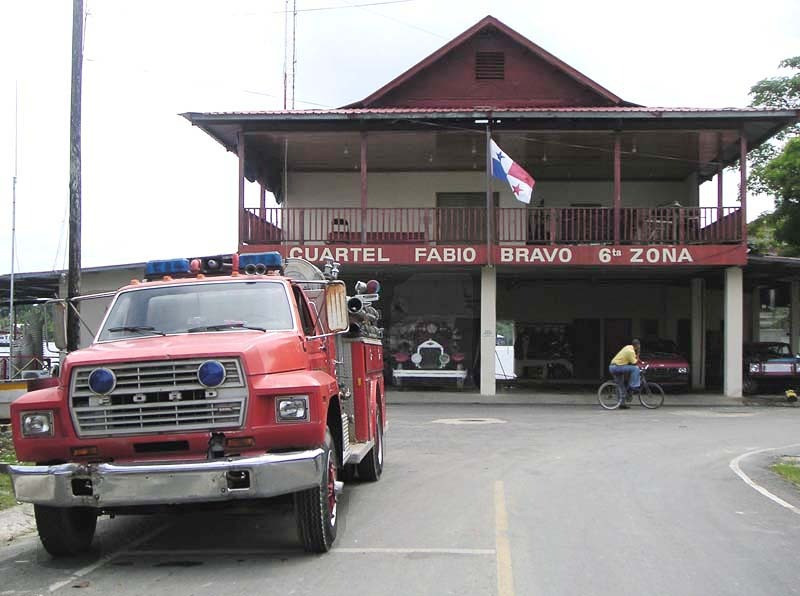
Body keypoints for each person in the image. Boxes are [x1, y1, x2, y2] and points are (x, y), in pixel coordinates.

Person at [609, 339, 641, 409]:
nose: (639, 347)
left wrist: (639, 360)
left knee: (620, 386)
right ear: (637, 345)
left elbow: (634, 359)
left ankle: (622, 404)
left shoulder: (628, 347)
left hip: (614, 366)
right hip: (616, 367)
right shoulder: (631, 351)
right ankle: (633, 386)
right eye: (639, 345)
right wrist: (638, 353)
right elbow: (635, 363)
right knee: (635, 368)